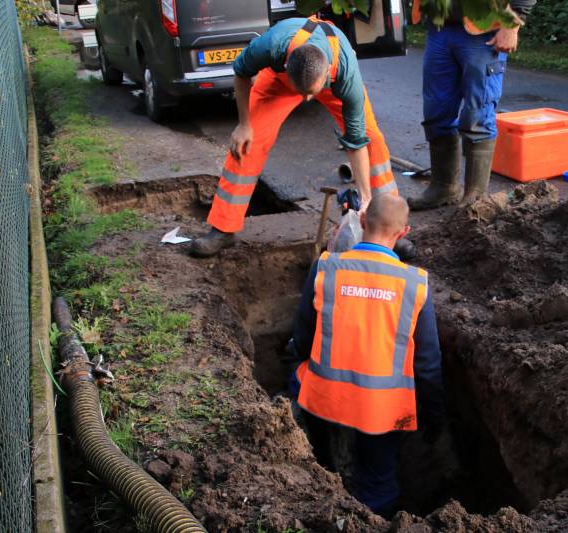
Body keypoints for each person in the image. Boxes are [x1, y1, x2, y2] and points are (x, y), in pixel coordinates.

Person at [189, 16, 400, 257]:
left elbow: (357, 141)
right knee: (248, 142)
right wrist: (244, 125)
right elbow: (241, 72)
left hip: (329, 78)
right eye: (303, 94)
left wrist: (365, 198)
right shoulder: (270, 46)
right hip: (278, 83)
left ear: (325, 77)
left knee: (372, 140)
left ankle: (388, 227)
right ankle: (223, 228)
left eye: (313, 94)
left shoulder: (345, 73)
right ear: (287, 66)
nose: (307, 100)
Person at [289, 194, 444, 516]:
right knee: (378, 481)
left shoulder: (326, 267)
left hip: (323, 399)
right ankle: (372, 518)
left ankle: (324, 468)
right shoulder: (414, 285)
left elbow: (302, 337)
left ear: (361, 222)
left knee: (296, 384)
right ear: (403, 233)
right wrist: (433, 417)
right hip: (381, 411)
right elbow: (428, 364)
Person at [407, 0, 537, 210]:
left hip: (483, 31)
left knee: (478, 116)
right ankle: (443, 187)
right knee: (436, 112)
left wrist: (512, 24)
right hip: (440, 27)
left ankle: (476, 196)